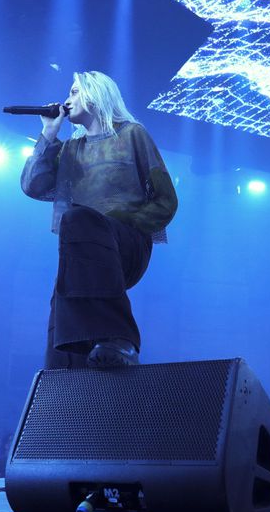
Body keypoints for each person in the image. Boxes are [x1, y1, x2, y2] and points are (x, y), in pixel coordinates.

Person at [21, 71, 178, 368]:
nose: (67, 100)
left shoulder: (132, 134)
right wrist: (48, 134)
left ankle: (121, 337)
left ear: (96, 94)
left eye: (75, 91)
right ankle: (66, 383)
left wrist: (127, 220)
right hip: (82, 250)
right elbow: (32, 186)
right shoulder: (69, 149)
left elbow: (166, 200)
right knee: (61, 313)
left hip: (126, 244)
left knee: (78, 218)